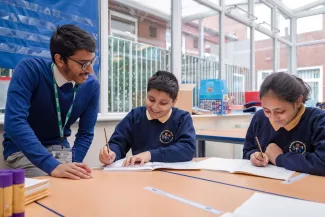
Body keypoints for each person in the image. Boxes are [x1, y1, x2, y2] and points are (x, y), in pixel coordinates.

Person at [2, 24, 100, 179]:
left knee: (82, 183)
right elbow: (14, 122)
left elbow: (85, 133)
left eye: (91, 61)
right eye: (83, 63)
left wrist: (72, 165)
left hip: (62, 151)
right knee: (53, 186)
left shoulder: (91, 85)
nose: (90, 70)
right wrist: (52, 166)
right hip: (22, 151)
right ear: (60, 59)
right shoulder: (30, 70)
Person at [99, 71, 196, 166]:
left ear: (174, 102)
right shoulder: (135, 116)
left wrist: (149, 155)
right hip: (141, 175)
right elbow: (118, 143)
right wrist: (111, 154)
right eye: (151, 99)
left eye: (163, 103)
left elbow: (187, 149)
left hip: (173, 177)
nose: (154, 107)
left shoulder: (182, 118)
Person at [243, 72, 325, 176]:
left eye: (280, 111)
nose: (272, 118)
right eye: (267, 110)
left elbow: (322, 163)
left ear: (298, 102)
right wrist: (253, 156)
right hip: (264, 185)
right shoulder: (259, 118)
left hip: (304, 188)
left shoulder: (319, 120)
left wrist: (279, 159)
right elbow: (247, 151)